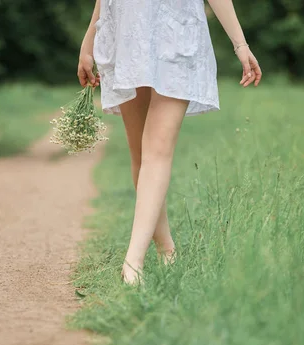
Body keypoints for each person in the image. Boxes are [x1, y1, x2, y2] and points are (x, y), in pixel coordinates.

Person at [77, 0, 262, 284]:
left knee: (157, 150)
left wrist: (241, 45)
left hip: (176, 30)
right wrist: (89, 39)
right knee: (140, 153)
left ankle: (133, 262)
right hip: (126, 32)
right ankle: (167, 249)